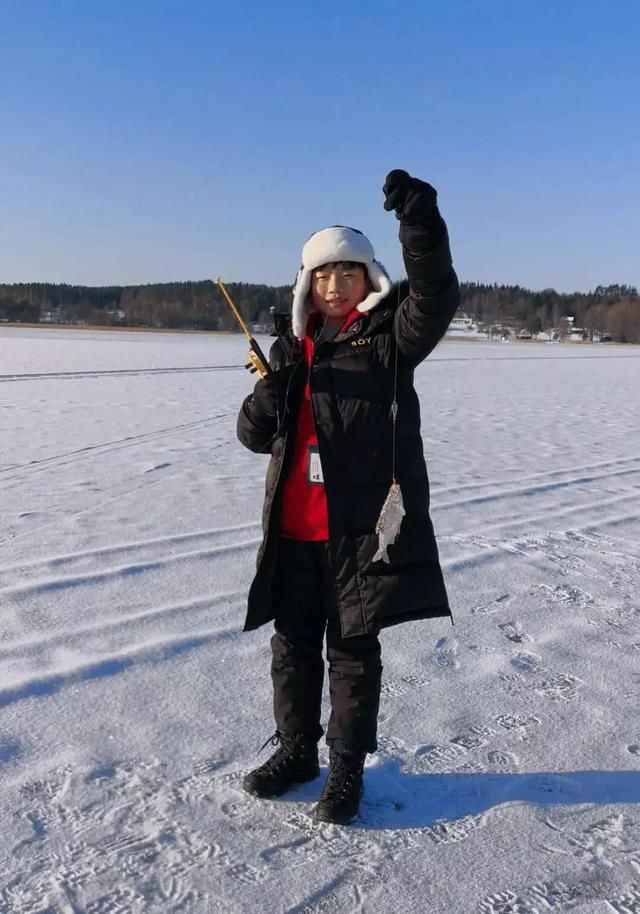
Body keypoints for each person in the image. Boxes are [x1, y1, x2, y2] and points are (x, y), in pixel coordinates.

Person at [236, 169, 460, 824]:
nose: (336, 286)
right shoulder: (290, 348)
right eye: (325, 275)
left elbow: (437, 297)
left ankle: (345, 770)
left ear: (369, 279)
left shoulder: (391, 339)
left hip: (360, 532)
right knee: (292, 648)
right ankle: (297, 751)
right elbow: (254, 438)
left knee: (354, 653)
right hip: (294, 532)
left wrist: (422, 226)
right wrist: (263, 401)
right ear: (309, 282)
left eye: (349, 273)